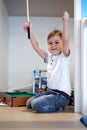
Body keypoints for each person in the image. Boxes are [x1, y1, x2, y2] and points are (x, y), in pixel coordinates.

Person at [24, 11, 71, 113]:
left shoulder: (64, 56)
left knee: (35, 104)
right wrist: (30, 30)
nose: (53, 45)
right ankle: (55, 106)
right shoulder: (49, 57)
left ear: (63, 44)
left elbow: (66, 40)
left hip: (62, 95)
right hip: (50, 92)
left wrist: (65, 23)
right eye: (50, 43)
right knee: (28, 103)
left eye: (57, 42)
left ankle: (58, 107)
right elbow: (36, 47)